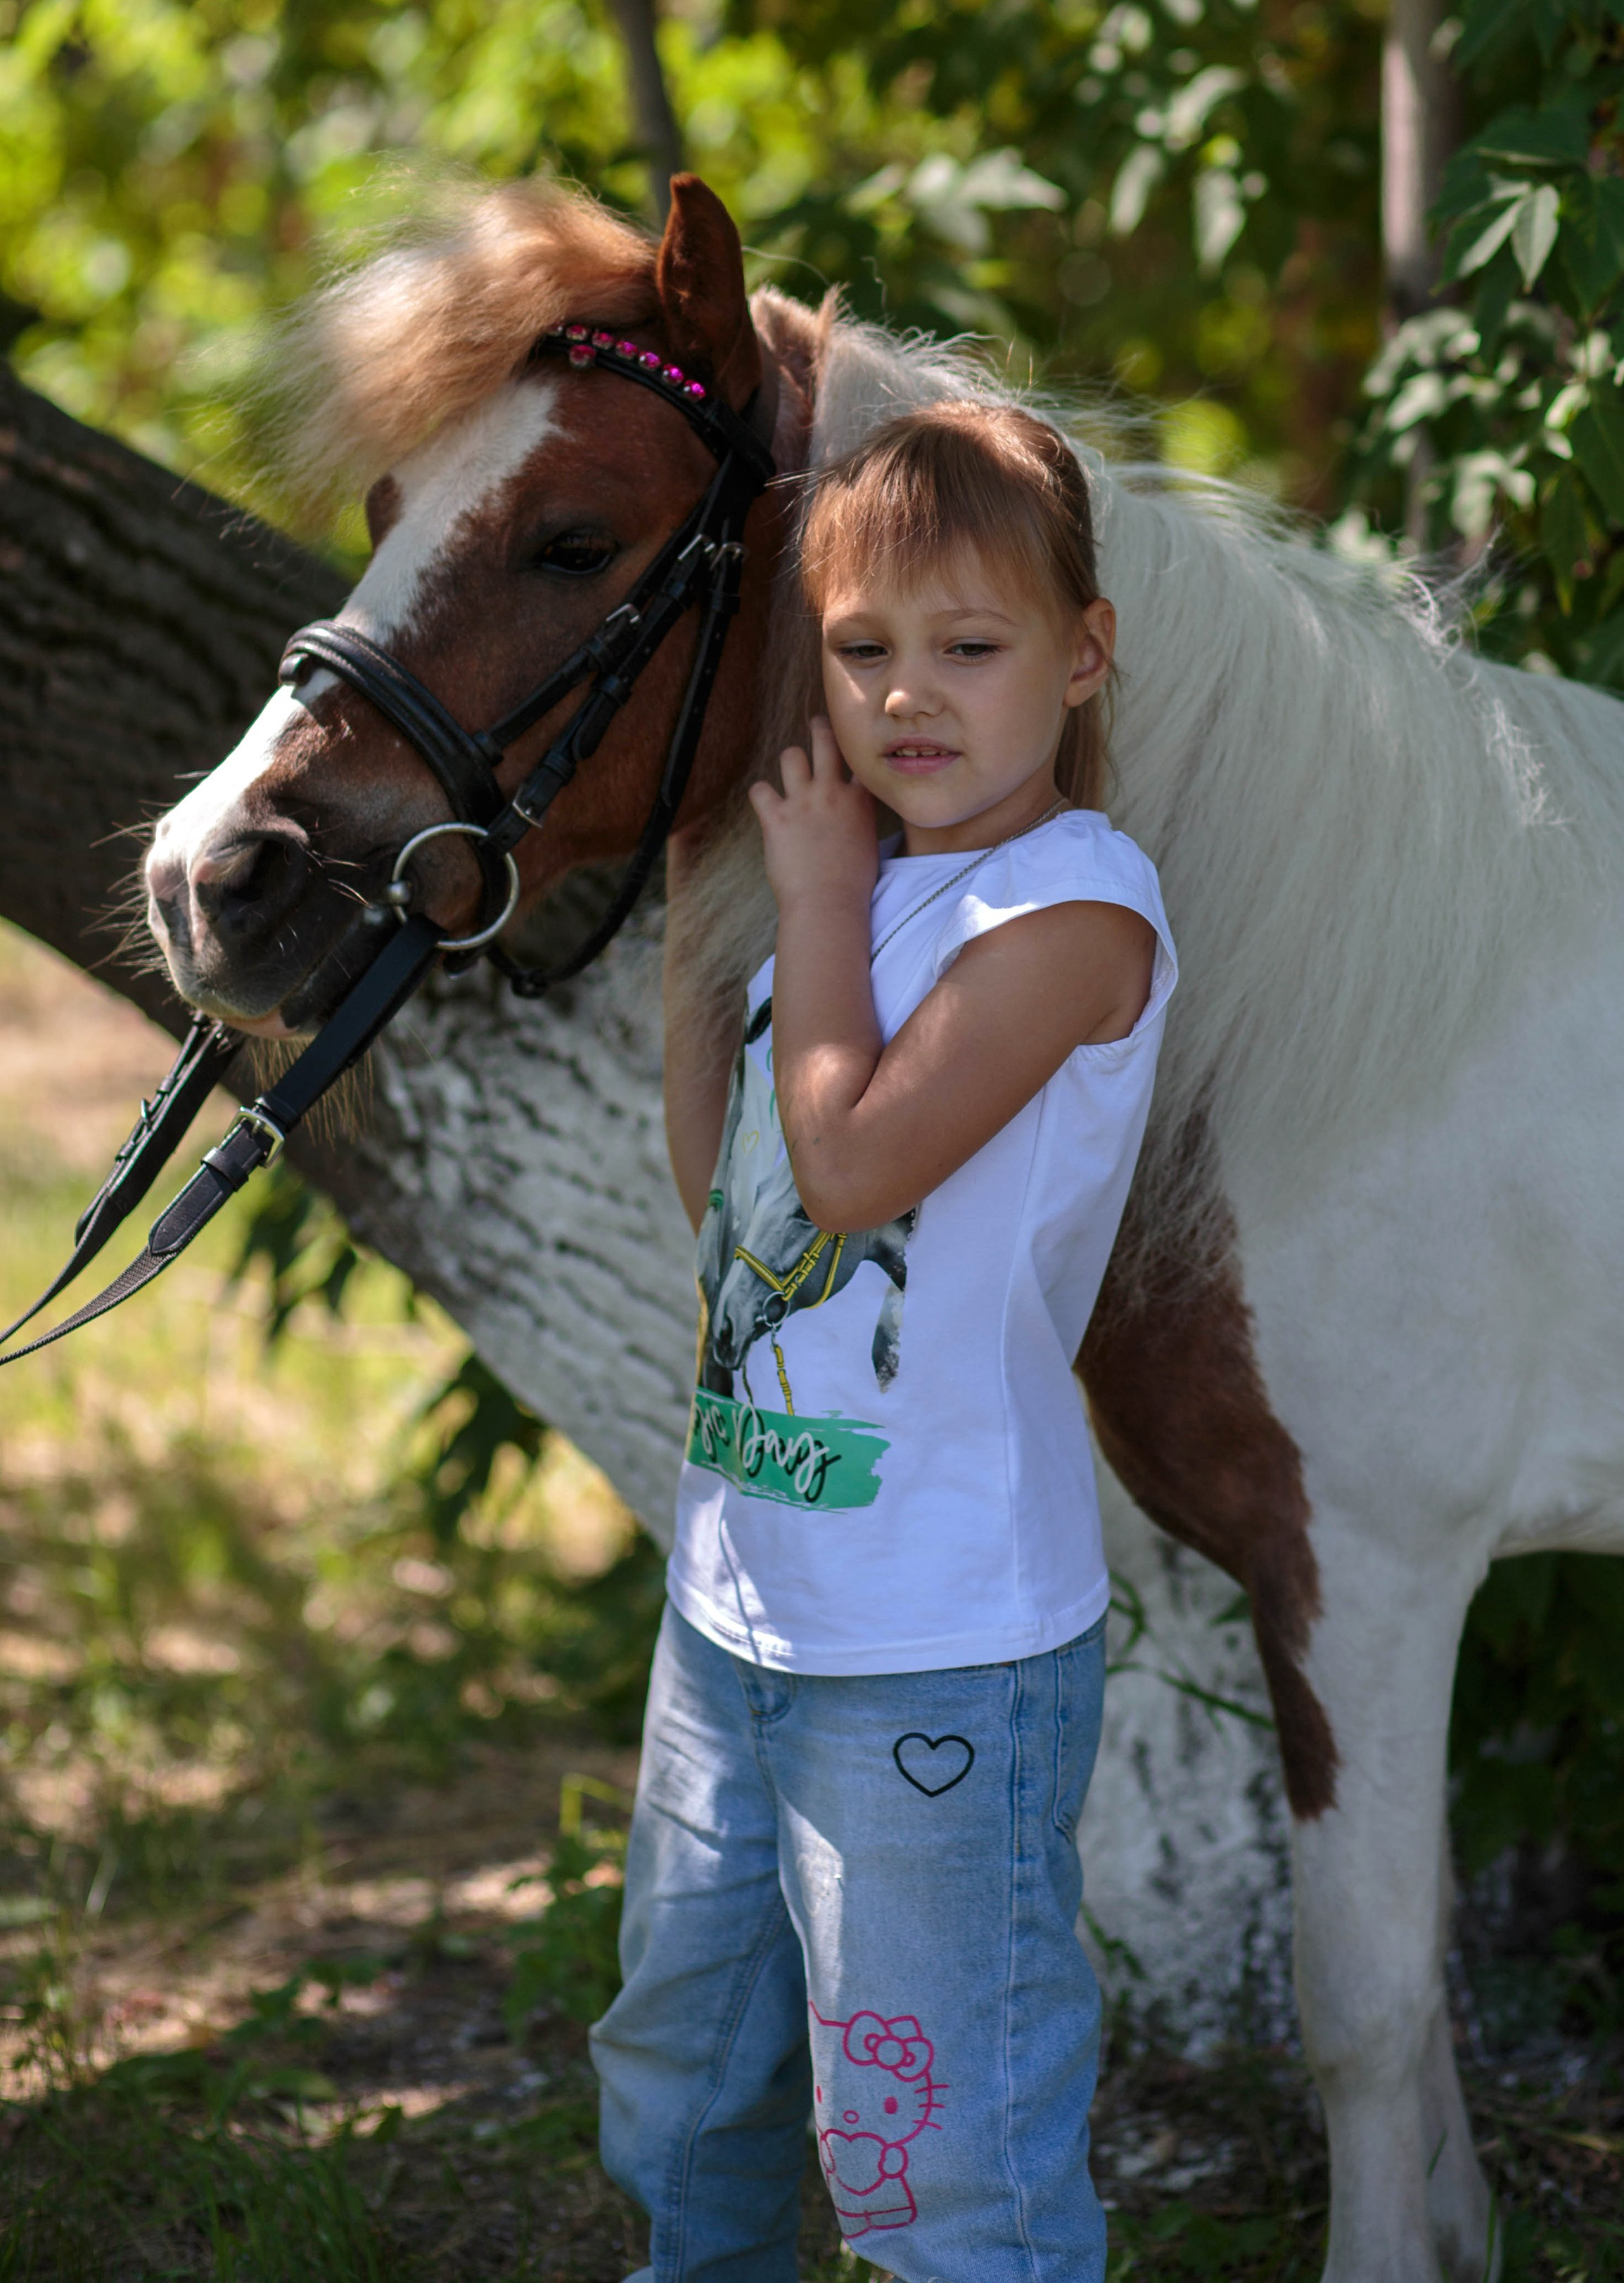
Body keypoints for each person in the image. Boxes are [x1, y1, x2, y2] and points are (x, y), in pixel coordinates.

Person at [591, 399, 1178, 2282]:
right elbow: (737, 1201)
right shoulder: (843, 913)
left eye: (968, 647)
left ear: (1080, 655)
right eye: (860, 652)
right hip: (740, 1604)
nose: (907, 699)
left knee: (932, 2153)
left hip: (937, 1661)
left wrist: (817, 903)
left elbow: (843, 1170)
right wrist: (719, 912)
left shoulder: (1069, 910)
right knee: (687, 2086)